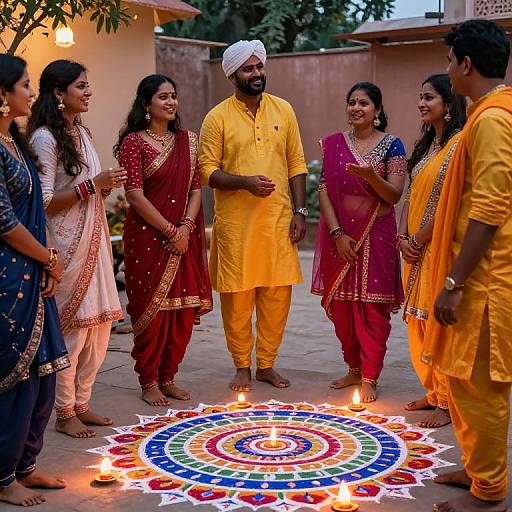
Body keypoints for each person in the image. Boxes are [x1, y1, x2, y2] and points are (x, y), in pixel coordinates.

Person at [422, 20, 512, 512]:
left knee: (481, 388)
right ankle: (480, 470)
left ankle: (491, 492)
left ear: (466, 64)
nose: (447, 70)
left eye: (449, 61)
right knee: (461, 379)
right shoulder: (485, 114)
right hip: (476, 278)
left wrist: (454, 281)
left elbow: (490, 208)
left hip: (486, 282)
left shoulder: (494, 119)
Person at [199, 40, 308, 392]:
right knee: (238, 298)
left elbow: (296, 164)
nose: (257, 73)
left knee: (276, 297)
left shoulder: (284, 110)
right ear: (233, 75)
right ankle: (241, 365)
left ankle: (267, 364)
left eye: (259, 66)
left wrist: (301, 210)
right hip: (237, 228)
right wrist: (244, 182)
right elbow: (207, 172)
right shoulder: (217, 118)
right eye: (248, 69)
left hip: (277, 221)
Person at [27, 60, 125, 438]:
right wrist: (91, 186)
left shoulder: (80, 133)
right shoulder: (44, 140)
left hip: (94, 240)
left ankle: (82, 404)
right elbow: (44, 201)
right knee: (74, 331)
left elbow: (87, 186)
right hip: (66, 247)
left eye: (88, 85)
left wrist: (103, 185)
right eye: (81, 86)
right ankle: (64, 411)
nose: (88, 92)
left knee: (100, 328)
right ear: (59, 93)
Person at [115, 74, 212, 407]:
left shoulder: (187, 140)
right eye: (163, 97)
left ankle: (168, 377)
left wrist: (185, 227)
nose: (171, 102)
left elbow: (197, 189)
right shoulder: (134, 142)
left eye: (173, 96)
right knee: (152, 312)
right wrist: (170, 231)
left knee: (182, 312)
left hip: (183, 237)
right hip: (147, 237)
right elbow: (135, 196)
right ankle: (148, 380)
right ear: (146, 104)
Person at [0, 54, 69, 507]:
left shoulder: (14, 144)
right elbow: (3, 221)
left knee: (44, 374)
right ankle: (4, 476)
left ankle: (26, 464)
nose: (31, 91)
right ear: (1, 96)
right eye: (25, 84)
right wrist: (48, 257)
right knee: (14, 377)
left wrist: (47, 262)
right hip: (10, 279)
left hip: (34, 273)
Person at [312, 82, 406, 403]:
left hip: (377, 233)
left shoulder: (393, 145)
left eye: (364, 103)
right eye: (351, 102)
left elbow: (394, 194)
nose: (356, 108)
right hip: (342, 235)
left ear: (377, 111)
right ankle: (353, 367)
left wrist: (370, 177)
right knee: (343, 306)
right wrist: (337, 234)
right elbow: (324, 190)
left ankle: (369, 375)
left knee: (372, 308)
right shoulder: (335, 145)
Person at [398, 74, 466, 428]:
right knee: (415, 321)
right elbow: (410, 195)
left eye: (429, 97)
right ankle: (432, 390)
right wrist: (402, 237)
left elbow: (448, 204)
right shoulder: (427, 147)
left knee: (436, 324)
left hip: (437, 248)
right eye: (420, 97)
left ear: (449, 103)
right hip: (413, 249)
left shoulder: (458, 145)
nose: (421, 103)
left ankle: (447, 401)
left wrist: (418, 238)